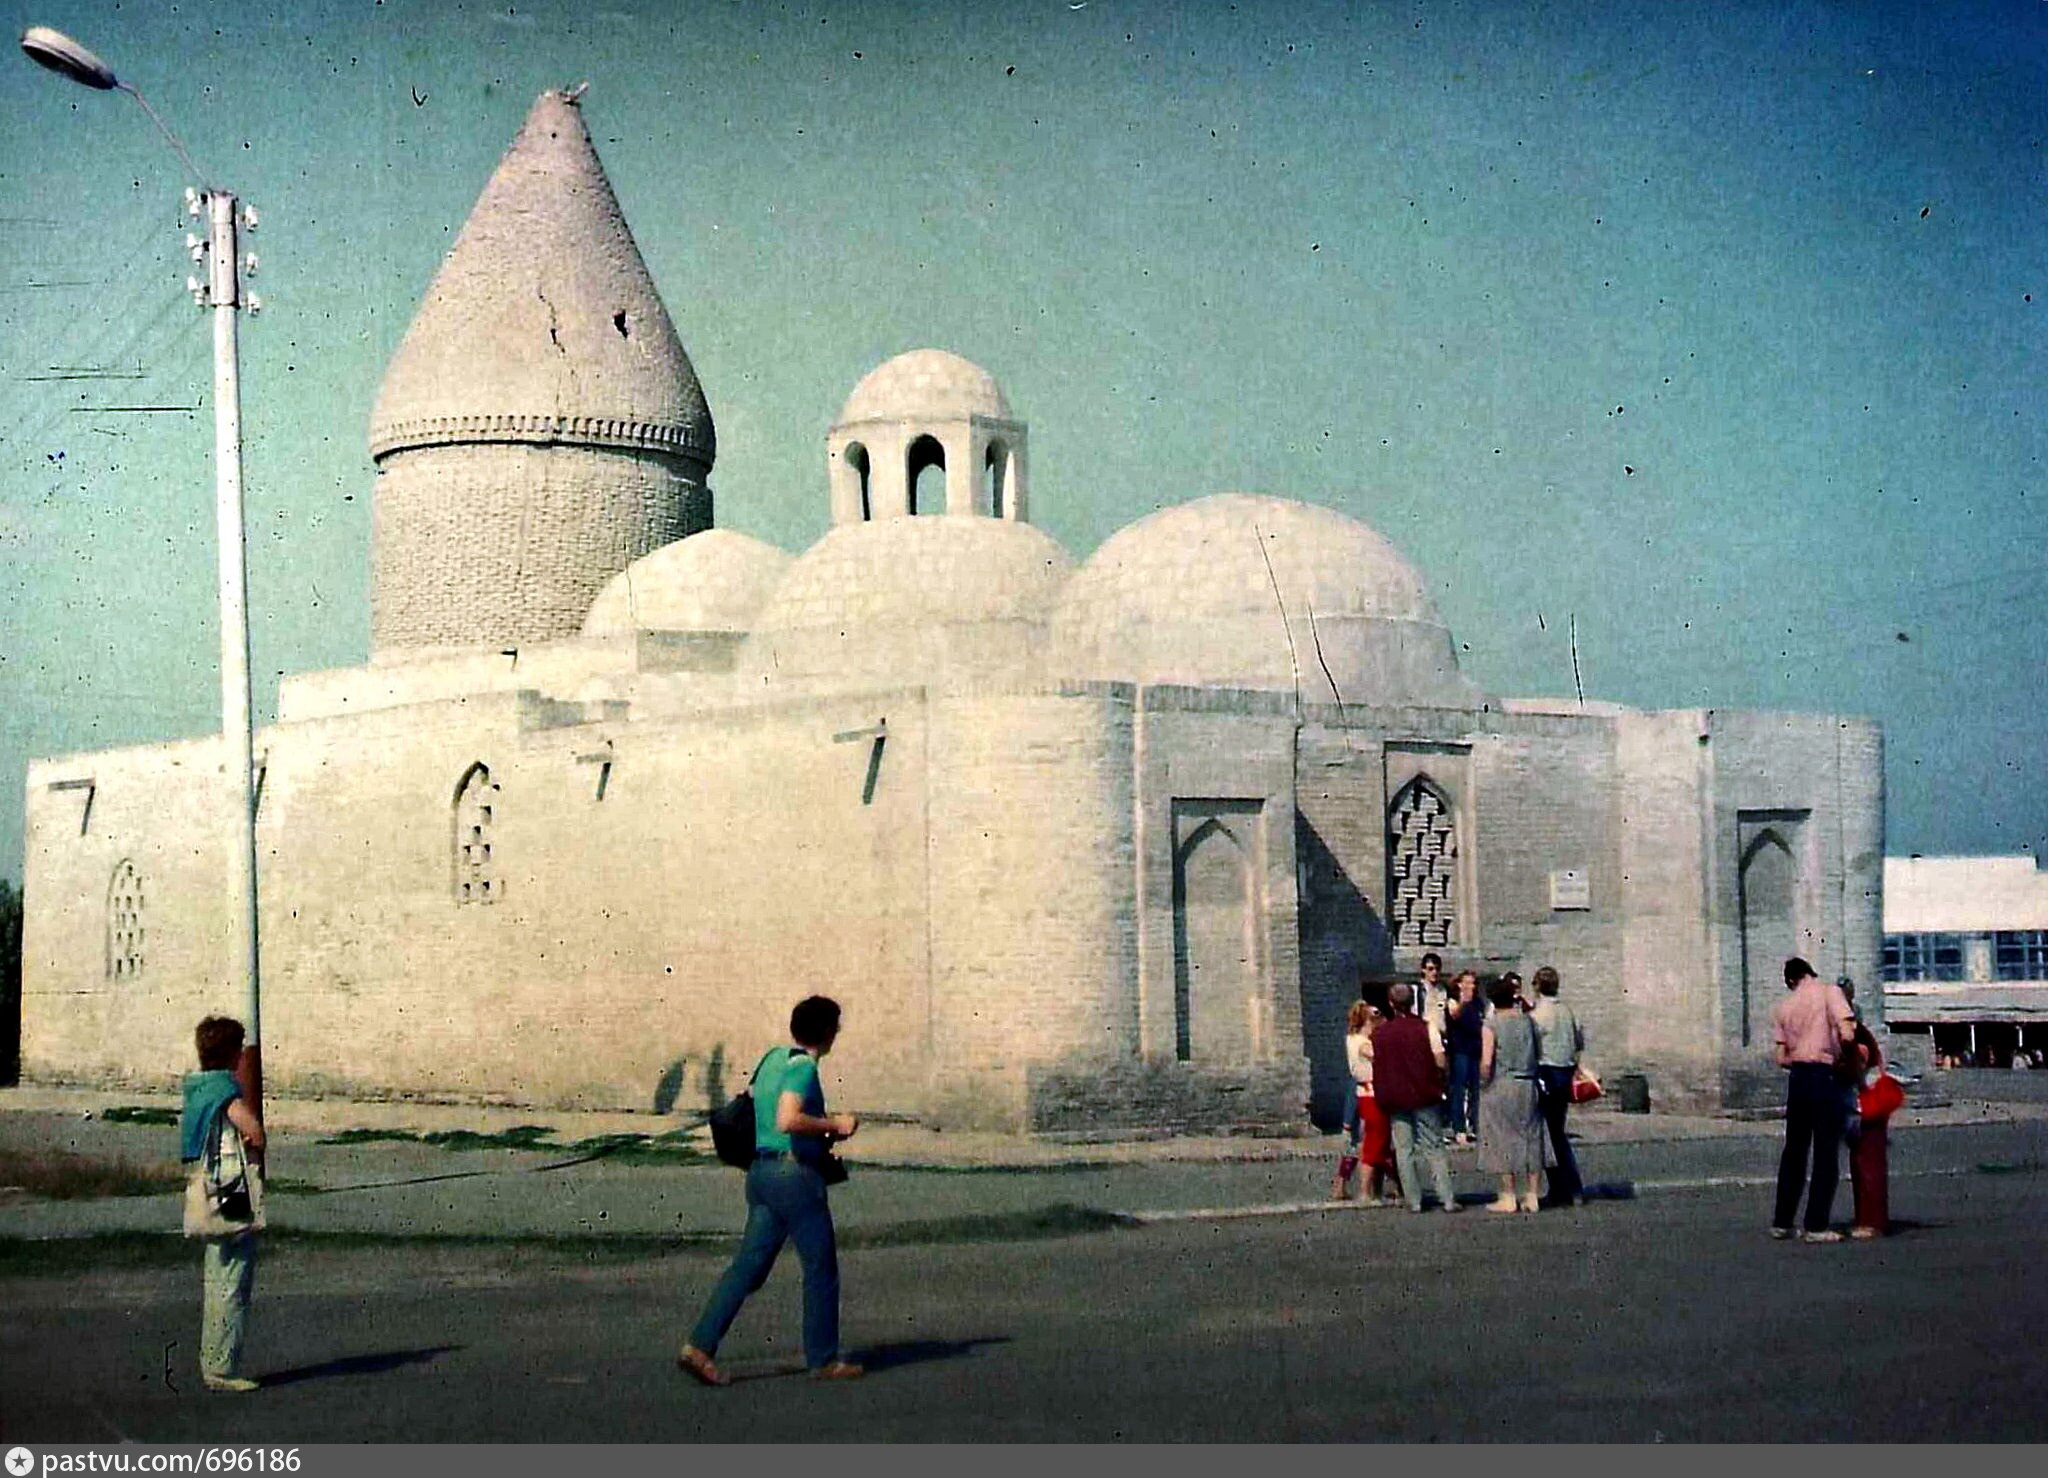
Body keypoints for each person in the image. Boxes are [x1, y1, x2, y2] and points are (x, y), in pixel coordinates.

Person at [680, 996, 864, 1385]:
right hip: (795, 1177)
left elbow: (756, 1104)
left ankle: (700, 1346)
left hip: (761, 1174)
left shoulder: (772, 1059)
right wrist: (836, 1124)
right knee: (820, 1268)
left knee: (748, 1267)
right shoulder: (804, 1068)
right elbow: (787, 1119)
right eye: (836, 1025)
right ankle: (823, 1360)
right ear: (827, 1032)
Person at [180, 1015, 264, 1393]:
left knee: (216, 1279)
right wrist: (255, 1139)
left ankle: (211, 1362)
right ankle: (222, 1368)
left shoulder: (197, 1089)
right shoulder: (224, 1091)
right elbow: (253, 1131)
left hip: (207, 1185)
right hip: (231, 1189)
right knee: (233, 1281)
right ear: (230, 1052)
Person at [1769, 957, 1856, 1243]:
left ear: (1791, 980)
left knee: (1794, 1150)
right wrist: (1845, 1059)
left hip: (1798, 1078)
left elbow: (1781, 1058)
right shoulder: (1830, 992)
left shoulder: (1784, 1006)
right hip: (1823, 1074)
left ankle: (1782, 1222)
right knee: (1825, 1151)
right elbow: (1848, 1033)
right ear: (1810, 973)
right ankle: (1816, 1225)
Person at [1371, 982, 1461, 1213]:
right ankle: (1447, 1198)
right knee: (1434, 1147)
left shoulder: (1379, 1033)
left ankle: (1414, 1200)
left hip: (1395, 1096)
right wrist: (1441, 1080)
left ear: (1390, 1004)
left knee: (1404, 1149)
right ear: (1412, 1002)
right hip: (1424, 1093)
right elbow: (1440, 1059)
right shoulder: (1426, 1028)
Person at [1478, 976, 1544, 1213]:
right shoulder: (1528, 1021)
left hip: (1502, 1084)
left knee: (1502, 1139)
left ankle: (1508, 1196)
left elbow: (1487, 1062)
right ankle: (1533, 1195)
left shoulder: (1491, 1024)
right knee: (1532, 1137)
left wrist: (1482, 1082)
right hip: (1528, 1083)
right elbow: (1539, 1052)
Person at [1527, 966, 1587, 1208]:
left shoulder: (1537, 1015)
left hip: (1547, 1072)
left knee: (1550, 1134)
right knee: (1557, 1131)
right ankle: (1567, 1187)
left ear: (1537, 986)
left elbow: (1531, 1046)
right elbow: (1579, 1041)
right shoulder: (1567, 1011)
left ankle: (1566, 1187)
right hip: (1565, 1070)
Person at [1839, 979, 1890, 1240]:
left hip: (1867, 1102)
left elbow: (1859, 1064)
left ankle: (1873, 1221)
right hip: (1863, 1102)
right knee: (1861, 1163)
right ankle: (1866, 1218)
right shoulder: (1858, 1033)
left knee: (1869, 1164)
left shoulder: (1856, 1035)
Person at [1332, 999, 1373, 1200]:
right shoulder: (1363, 1043)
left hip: (1356, 1087)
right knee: (1366, 1140)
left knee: (1354, 1141)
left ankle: (1340, 1185)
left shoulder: (1351, 1039)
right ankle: (1353, 1187)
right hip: (1366, 1090)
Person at [1444, 970, 1485, 1145]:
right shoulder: (1453, 1001)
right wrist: (1463, 1002)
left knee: (1476, 1089)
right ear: (1459, 984)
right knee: (1458, 1089)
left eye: (1473, 983)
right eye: (1467, 982)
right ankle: (1459, 1127)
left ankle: (1475, 1125)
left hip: (1476, 1049)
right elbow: (1454, 1015)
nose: (1471, 987)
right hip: (1460, 1050)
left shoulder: (1479, 1003)